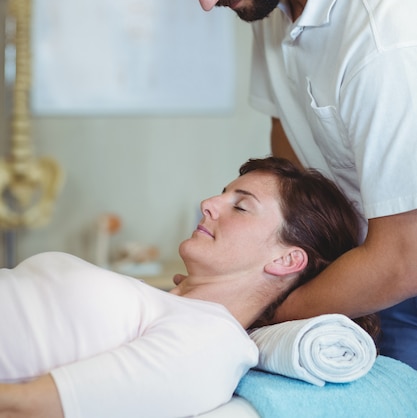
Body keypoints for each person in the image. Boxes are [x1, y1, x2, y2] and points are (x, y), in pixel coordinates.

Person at [124, 0, 417, 369]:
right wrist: (248, 265)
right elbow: (286, 155)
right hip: (354, 265)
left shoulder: (386, 28)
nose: (207, 2)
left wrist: (261, 306)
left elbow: (405, 258)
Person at [0, 157, 376, 418]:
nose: (208, 204)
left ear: (285, 261)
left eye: (240, 207)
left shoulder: (213, 341)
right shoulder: (167, 306)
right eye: (223, 193)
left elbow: (25, 406)